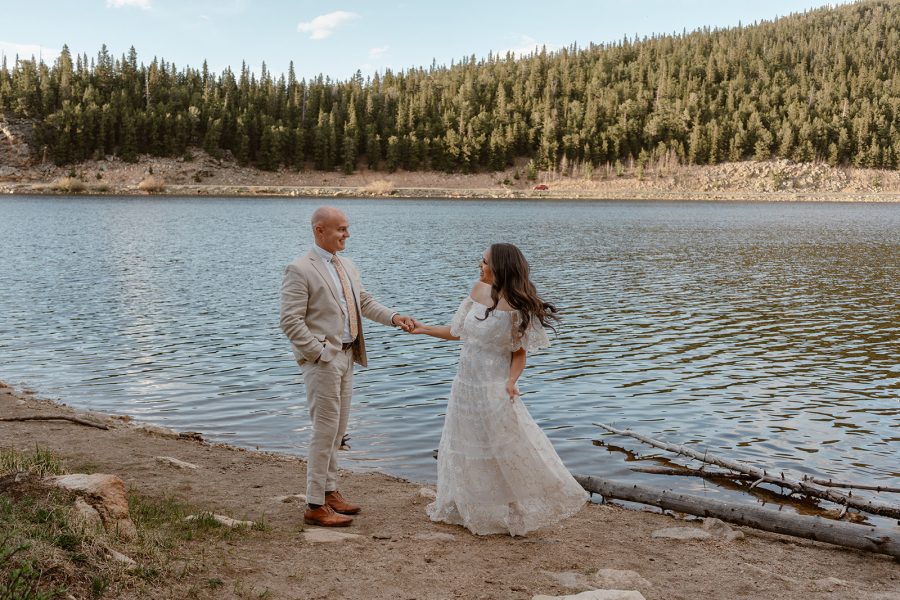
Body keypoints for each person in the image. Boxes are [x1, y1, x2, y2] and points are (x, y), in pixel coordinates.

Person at [410, 243, 587, 536]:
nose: (480, 266)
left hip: (494, 387)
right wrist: (423, 328)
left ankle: (516, 509)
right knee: (465, 445)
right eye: (481, 261)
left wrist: (511, 382)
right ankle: (466, 506)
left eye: (485, 262)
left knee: (505, 447)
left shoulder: (518, 308)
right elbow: (456, 332)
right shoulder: (477, 291)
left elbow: (518, 354)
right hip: (464, 386)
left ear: (501, 267)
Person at [280, 206, 415, 527]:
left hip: (347, 357)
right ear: (319, 230)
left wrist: (395, 318)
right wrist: (318, 352)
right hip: (323, 359)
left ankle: (329, 491)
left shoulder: (348, 266)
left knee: (338, 430)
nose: (347, 234)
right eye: (341, 229)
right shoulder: (299, 269)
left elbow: (364, 302)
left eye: (347, 228)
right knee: (324, 430)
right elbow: (290, 320)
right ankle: (314, 504)